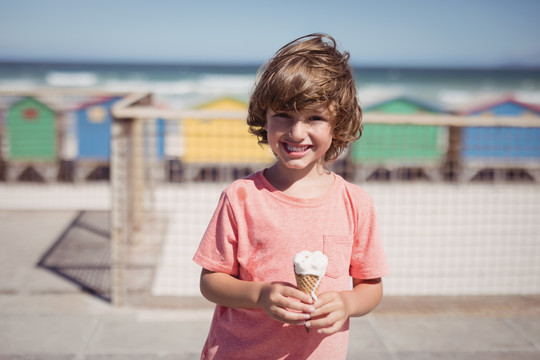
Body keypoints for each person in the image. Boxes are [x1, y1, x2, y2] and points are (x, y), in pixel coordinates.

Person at [193, 33, 389, 360]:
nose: (297, 132)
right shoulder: (241, 197)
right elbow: (211, 282)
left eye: (315, 117)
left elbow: (371, 287)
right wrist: (260, 294)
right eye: (283, 114)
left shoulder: (356, 204)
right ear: (264, 117)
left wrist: (348, 303)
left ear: (337, 125)